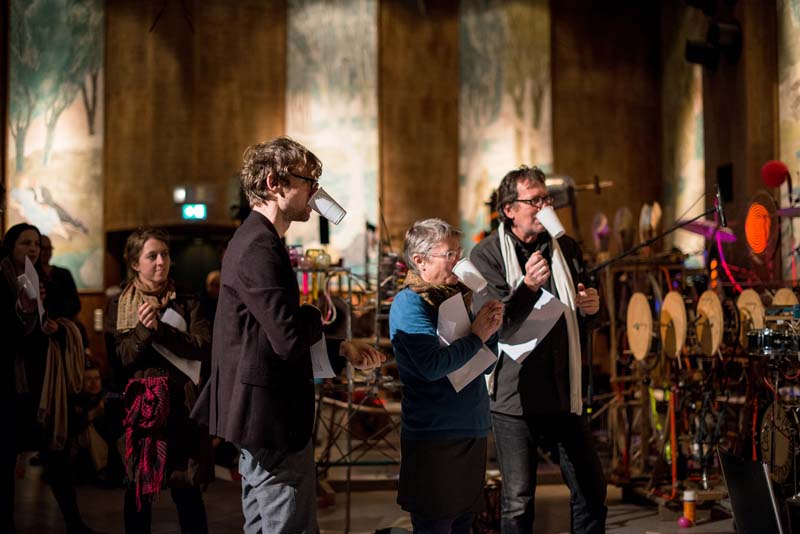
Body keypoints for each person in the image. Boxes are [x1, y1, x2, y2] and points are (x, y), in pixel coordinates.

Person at [190, 136, 386, 534]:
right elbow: (288, 339)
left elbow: (263, 337)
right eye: (309, 181)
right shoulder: (258, 246)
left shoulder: (259, 240)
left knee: (263, 526)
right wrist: (314, 312)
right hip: (270, 418)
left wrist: (340, 349)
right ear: (274, 183)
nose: (316, 192)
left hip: (261, 414)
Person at [470, 166, 607, 534]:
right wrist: (527, 288)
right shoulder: (486, 255)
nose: (545, 206)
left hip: (564, 392)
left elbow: (587, 316)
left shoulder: (567, 247)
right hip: (514, 398)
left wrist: (593, 309)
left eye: (547, 199)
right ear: (509, 209)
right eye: (535, 200)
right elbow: (495, 324)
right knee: (518, 501)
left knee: (592, 490)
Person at [389, 219, 503, 534]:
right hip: (435, 434)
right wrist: (477, 337)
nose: (458, 261)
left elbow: (483, 366)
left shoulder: (455, 298)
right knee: (435, 525)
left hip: (471, 427)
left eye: (458, 253)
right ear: (420, 260)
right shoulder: (410, 302)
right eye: (449, 254)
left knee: (464, 524)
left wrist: (490, 329)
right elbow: (432, 366)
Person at [106, 227, 212, 534]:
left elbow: (204, 347)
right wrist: (143, 330)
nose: (161, 262)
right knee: (139, 494)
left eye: (165, 254)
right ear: (135, 263)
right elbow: (121, 359)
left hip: (183, 409)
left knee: (187, 492)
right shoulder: (120, 305)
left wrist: (162, 330)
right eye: (152, 256)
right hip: (143, 412)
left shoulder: (187, 300)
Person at [1, 223, 96, 534]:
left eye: (36, 244)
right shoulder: (2, 279)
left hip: (43, 380)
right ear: (10, 247)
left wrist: (55, 326)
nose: (32, 249)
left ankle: (74, 523)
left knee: (57, 454)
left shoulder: (46, 280)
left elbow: (64, 316)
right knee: (6, 456)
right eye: (24, 243)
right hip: (10, 383)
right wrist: (21, 309)